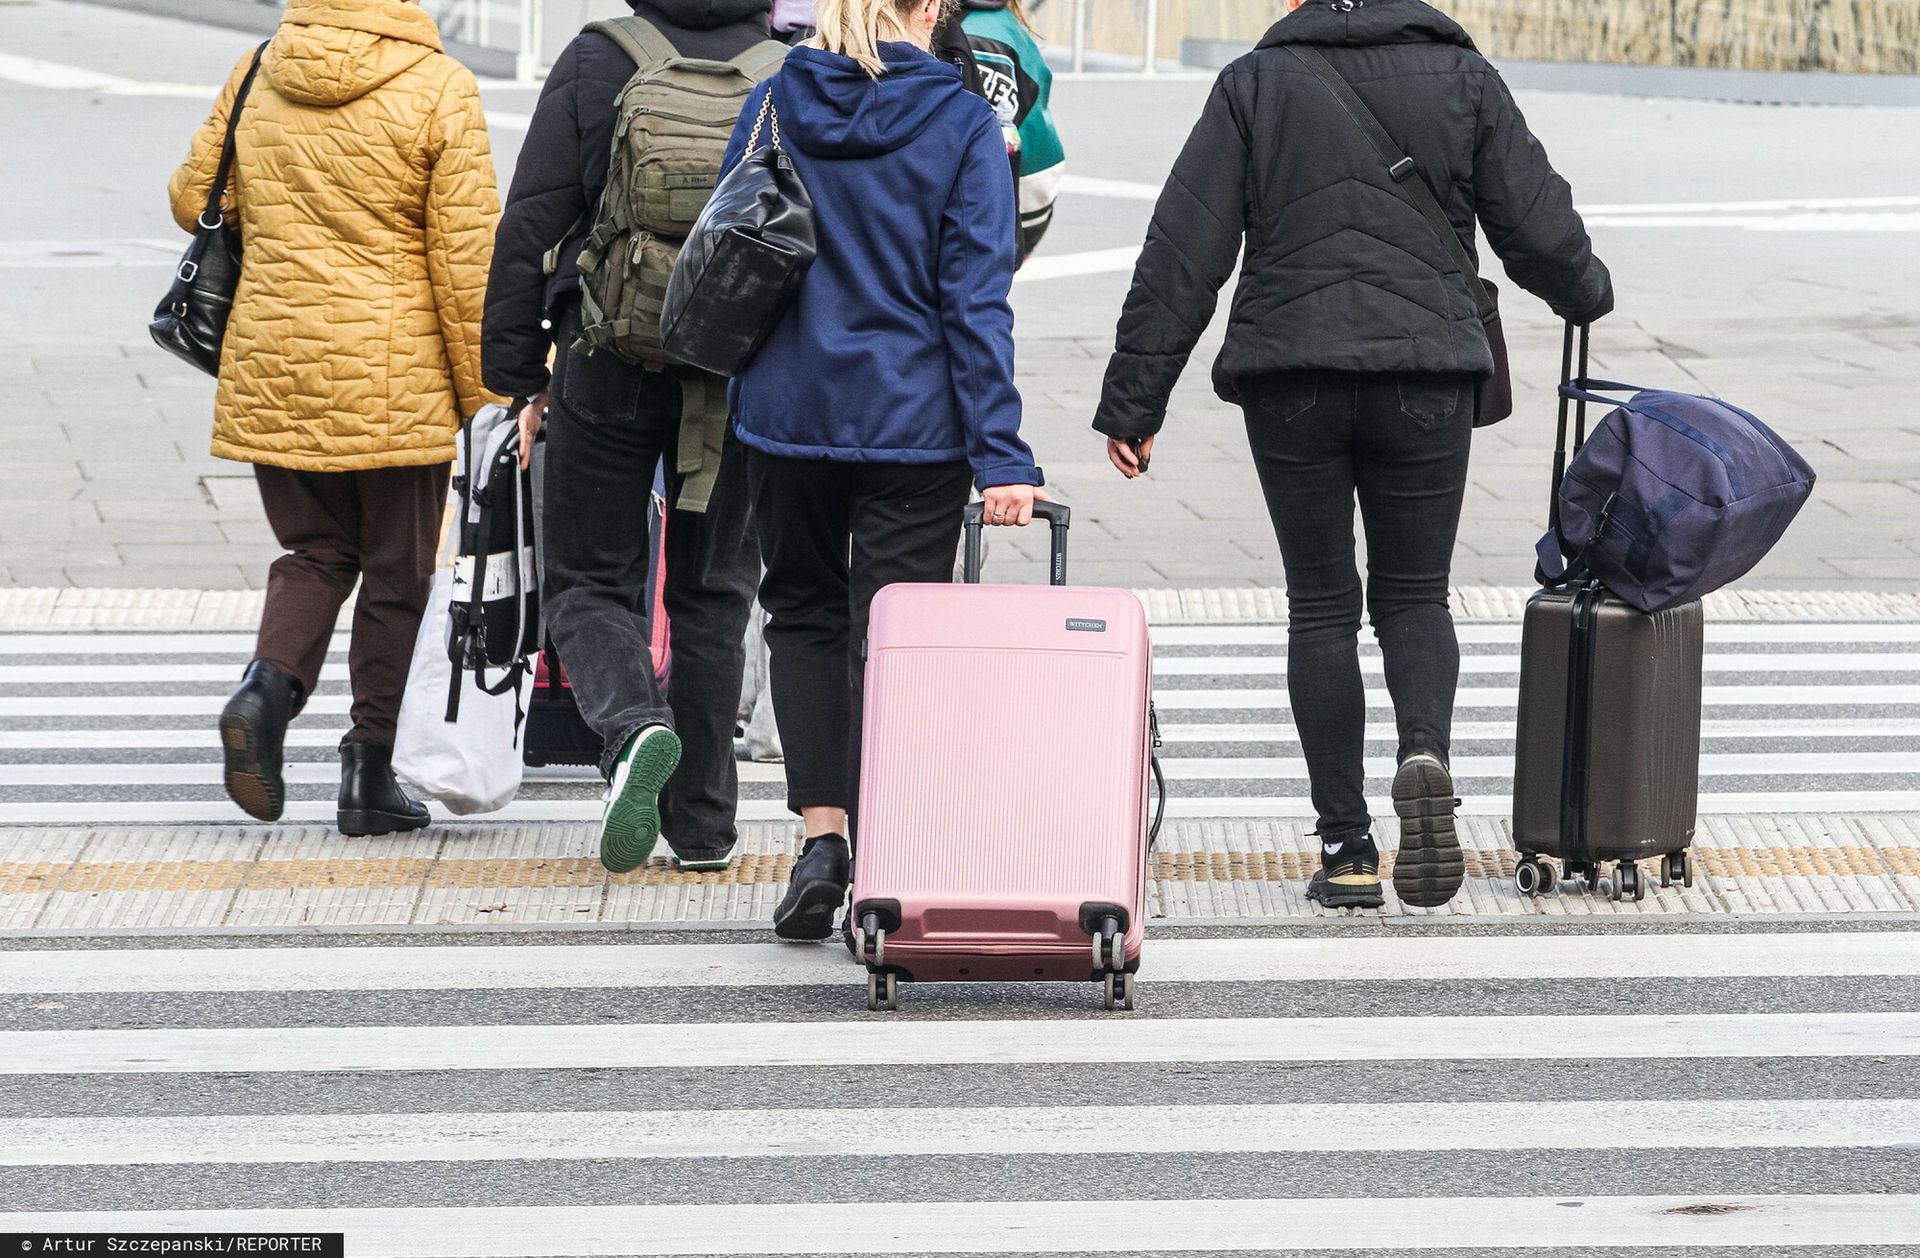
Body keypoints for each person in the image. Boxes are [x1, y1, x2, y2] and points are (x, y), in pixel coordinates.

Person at [1094, 0, 1612, 909]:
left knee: (1321, 605)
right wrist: (1585, 289)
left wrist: (1135, 401)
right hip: (1426, 376)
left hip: (1291, 378)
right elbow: (1534, 218)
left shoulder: (1254, 83)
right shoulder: (1461, 77)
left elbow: (1184, 250)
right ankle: (1424, 753)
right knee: (1415, 595)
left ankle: (1348, 848)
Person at [723, 0, 1045, 940]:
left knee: (802, 615)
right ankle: (890, 846)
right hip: (915, 423)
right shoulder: (960, 121)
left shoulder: (779, 99)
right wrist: (1003, 458)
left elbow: (737, 234)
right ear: (935, 9)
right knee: (894, 633)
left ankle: (823, 838)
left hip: (787, 412)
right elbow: (976, 301)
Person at [171, 0, 498, 836]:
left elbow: (191, 198)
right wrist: (487, 401)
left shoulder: (259, 68)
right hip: (397, 370)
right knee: (397, 573)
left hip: (274, 356)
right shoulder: (439, 84)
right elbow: (465, 266)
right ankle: (369, 773)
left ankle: (265, 691)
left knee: (315, 550)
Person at [482, 0, 776, 875]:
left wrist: (517, 374)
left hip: (602, 353)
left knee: (586, 581)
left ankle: (633, 725)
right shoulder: (785, 73)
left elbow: (532, 218)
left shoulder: (597, 58)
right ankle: (704, 827)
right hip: (733, 368)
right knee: (715, 594)